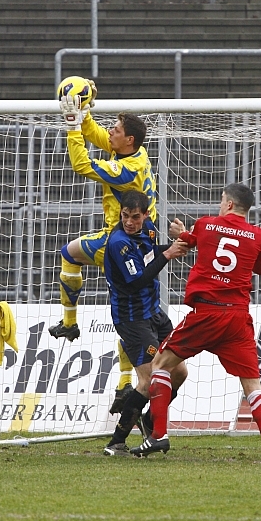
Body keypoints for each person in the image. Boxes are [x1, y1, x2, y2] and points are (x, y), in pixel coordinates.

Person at [131, 183, 261, 463]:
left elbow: (190, 239)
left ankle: (159, 435)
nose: (219, 205)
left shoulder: (206, 225)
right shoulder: (257, 235)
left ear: (228, 204)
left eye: (221, 201)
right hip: (238, 319)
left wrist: (181, 233)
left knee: (159, 365)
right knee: (252, 385)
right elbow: (259, 268)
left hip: (206, 314)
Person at [54, 83, 159, 412]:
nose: (109, 132)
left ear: (128, 139)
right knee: (128, 312)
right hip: (142, 240)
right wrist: (83, 113)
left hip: (124, 240)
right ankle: (124, 385)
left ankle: (70, 323)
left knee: (70, 254)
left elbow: (82, 166)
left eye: (115, 129)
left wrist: (72, 127)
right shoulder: (131, 151)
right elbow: (96, 133)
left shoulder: (126, 168)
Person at [100, 190, 190, 456]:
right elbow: (137, 279)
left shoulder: (147, 229)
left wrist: (179, 242)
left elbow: (151, 253)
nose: (129, 222)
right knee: (148, 378)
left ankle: (150, 420)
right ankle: (116, 441)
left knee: (180, 372)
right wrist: (169, 254)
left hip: (154, 313)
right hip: (132, 319)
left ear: (146, 215)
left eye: (135, 217)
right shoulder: (118, 243)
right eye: (125, 216)